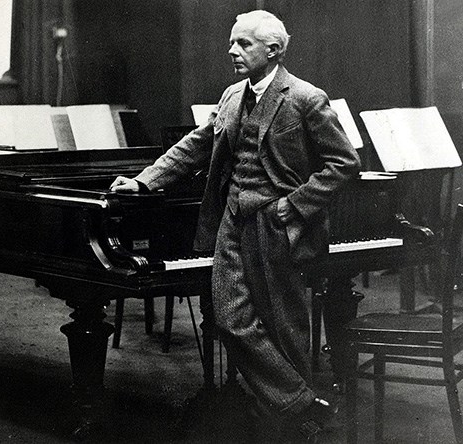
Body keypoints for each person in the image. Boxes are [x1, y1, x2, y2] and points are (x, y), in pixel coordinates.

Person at [110, 10, 361, 442]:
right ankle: (302, 402)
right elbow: (194, 147)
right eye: (232, 43)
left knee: (284, 324)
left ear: (274, 50)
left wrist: (295, 205)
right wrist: (142, 180)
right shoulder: (229, 97)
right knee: (227, 316)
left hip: (278, 226)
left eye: (243, 44)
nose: (232, 51)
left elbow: (344, 164)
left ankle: (290, 425)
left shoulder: (305, 98)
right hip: (231, 223)